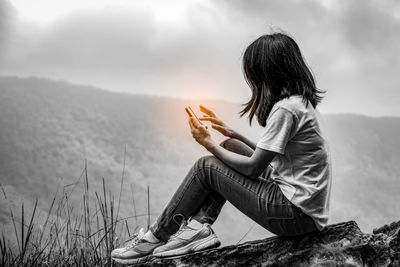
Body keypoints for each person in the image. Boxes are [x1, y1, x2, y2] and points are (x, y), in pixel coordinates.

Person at [111, 32, 331, 264]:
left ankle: (155, 237)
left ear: (268, 73)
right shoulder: (302, 104)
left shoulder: (286, 110)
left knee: (205, 166)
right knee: (231, 146)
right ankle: (197, 226)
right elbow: (275, 157)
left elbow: (254, 168)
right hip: (305, 210)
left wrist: (207, 142)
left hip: (292, 213)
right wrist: (232, 134)